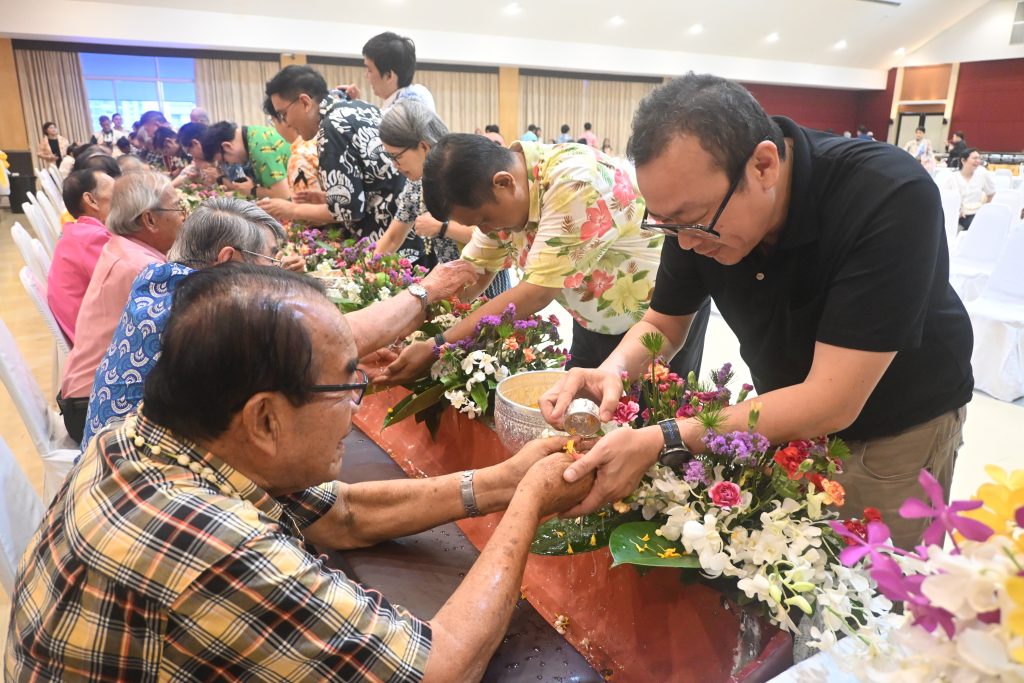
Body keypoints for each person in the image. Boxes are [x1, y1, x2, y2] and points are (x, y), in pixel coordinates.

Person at [6, 262, 591, 681]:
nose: (359, 402)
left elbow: (341, 513)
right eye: (345, 385)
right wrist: (528, 506)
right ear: (264, 419)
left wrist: (499, 482)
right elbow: (440, 667)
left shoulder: (141, 436)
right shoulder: (215, 544)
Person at [539, 73, 974, 551]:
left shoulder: (886, 194)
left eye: (692, 222)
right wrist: (612, 369)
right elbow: (663, 323)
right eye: (668, 225)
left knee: (866, 592)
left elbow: (832, 400)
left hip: (893, 430)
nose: (684, 242)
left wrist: (664, 438)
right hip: (784, 417)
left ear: (764, 165)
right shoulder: (694, 211)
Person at [81, 197, 475, 450]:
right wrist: (427, 291)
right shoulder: (210, 314)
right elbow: (335, 336)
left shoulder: (159, 279)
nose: (277, 269)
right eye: (269, 258)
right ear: (229, 259)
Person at [378, 133, 711, 387]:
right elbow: (468, 271)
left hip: (658, 320)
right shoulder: (506, 192)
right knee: (578, 416)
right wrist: (412, 325)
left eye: (485, 219)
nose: (486, 231)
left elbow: (535, 293)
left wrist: (437, 345)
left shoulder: (575, 182)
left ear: (504, 183)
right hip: (593, 320)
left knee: (649, 428)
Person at [58, 171, 185, 443]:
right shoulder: (142, 269)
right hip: (96, 412)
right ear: (149, 219)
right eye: (178, 208)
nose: (183, 217)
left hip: (83, 396)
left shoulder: (122, 247)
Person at [372, 100, 511, 297]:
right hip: (452, 283)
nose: (395, 165)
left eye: (396, 156)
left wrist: (442, 227)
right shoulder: (414, 184)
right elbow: (393, 237)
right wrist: (366, 269)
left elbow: (496, 235)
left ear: (423, 147)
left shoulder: (465, 171)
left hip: (486, 278)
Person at [264, 65, 406, 243]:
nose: (287, 123)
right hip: (406, 230)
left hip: (389, 243)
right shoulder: (361, 107)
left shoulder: (331, 128)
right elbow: (373, 184)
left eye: (283, 114)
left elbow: (348, 210)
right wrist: (328, 198)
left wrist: (290, 210)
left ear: (305, 102)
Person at [47, 168, 116, 343]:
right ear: (91, 200)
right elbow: (129, 284)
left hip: (86, 328)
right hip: (98, 341)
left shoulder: (78, 232)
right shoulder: (93, 239)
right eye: (116, 193)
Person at [201, 121, 291, 199]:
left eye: (224, 161)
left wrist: (252, 190)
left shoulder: (260, 147)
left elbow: (284, 194)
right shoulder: (252, 134)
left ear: (227, 146)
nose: (229, 164)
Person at [359, 31, 436, 113]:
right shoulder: (421, 94)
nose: (366, 75)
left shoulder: (397, 115)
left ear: (389, 76)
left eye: (370, 70)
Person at [942, 148, 995, 230]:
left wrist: (984, 209)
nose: (978, 161)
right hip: (958, 214)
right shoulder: (952, 178)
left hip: (976, 213)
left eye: (979, 158)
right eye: (974, 158)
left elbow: (991, 193)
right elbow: (945, 198)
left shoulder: (982, 174)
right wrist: (957, 210)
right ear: (963, 160)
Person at [171, 122, 220, 188]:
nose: (193, 157)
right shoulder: (200, 162)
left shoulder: (224, 156)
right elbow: (172, 185)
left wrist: (219, 178)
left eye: (189, 152)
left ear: (195, 144)